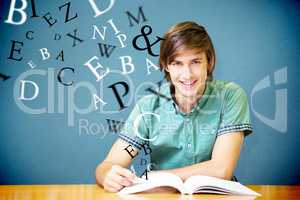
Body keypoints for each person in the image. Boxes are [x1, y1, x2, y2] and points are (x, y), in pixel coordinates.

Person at [95, 21, 253, 192]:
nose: (187, 74)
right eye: (177, 63)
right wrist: (107, 176)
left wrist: (155, 177)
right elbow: (108, 165)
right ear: (166, 65)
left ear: (209, 61)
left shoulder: (230, 96)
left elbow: (221, 169)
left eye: (195, 61)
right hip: (161, 196)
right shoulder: (148, 107)